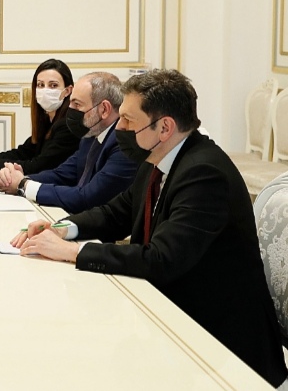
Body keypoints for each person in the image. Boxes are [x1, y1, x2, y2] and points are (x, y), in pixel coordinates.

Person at [14, 70, 287, 387]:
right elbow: (116, 213)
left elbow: (161, 259)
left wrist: (73, 252)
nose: (119, 128)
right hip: (175, 322)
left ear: (164, 127)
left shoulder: (204, 173)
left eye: (128, 120)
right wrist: (62, 228)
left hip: (221, 348)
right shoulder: (157, 158)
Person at [0, 72, 138, 213]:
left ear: (104, 109)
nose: (69, 110)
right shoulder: (90, 135)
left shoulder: (123, 145)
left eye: (77, 104)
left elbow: (87, 198)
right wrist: (16, 179)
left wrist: (24, 185)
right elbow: (62, 175)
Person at [0, 58, 80, 175]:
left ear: (68, 91)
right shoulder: (48, 119)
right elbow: (24, 152)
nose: (45, 90)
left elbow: (39, 166)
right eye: (40, 85)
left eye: (53, 85)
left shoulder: (68, 125)